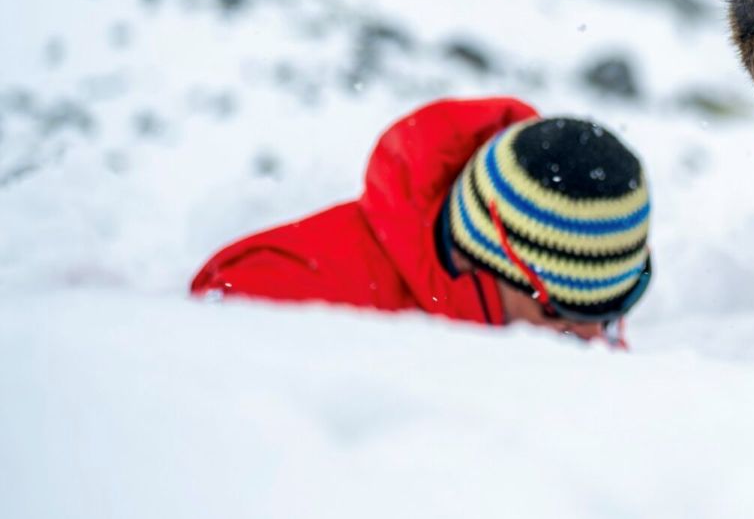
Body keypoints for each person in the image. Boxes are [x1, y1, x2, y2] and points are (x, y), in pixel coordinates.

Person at [191, 97, 652, 342]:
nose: (598, 342)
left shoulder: (577, 300)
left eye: (616, 312)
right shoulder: (275, 296)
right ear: (486, 260)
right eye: (564, 319)